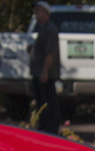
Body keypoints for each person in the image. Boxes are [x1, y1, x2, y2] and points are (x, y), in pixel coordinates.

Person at [30, 0, 59, 133]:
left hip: (45, 74)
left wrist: (45, 71)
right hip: (38, 72)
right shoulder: (41, 29)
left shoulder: (50, 30)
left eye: (38, 10)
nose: (35, 14)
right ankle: (42, 128)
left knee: (48, 104)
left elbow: (50, 53)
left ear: (46, 13)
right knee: (40, 103)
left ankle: (50, 130)